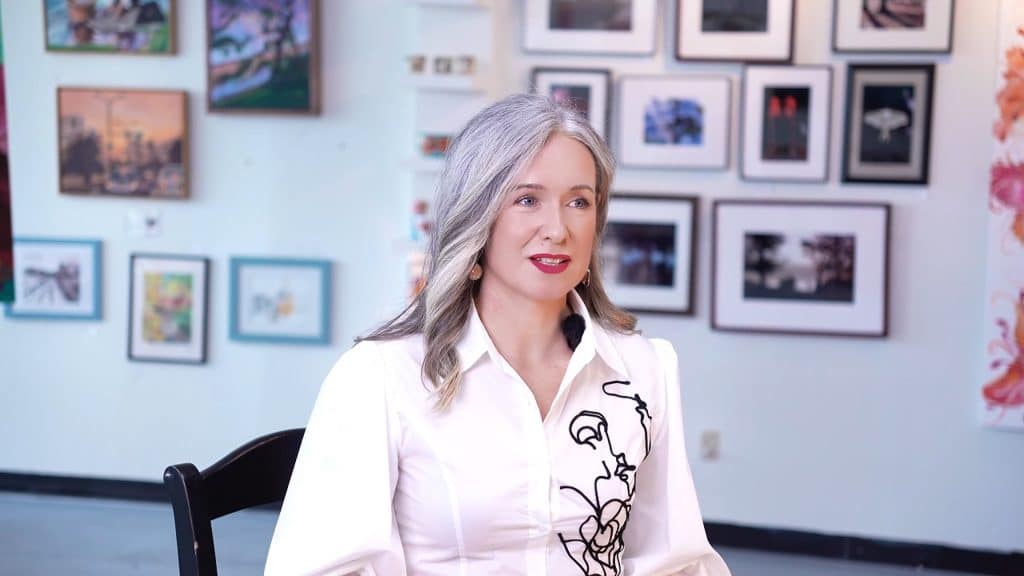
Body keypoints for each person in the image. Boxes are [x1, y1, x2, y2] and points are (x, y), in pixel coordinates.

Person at [264, 93, 731, 576]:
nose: (558, 229)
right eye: (527, 200)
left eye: (579, 202)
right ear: (476, 217)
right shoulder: (381, 376)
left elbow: (674, 561)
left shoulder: (644, 368)